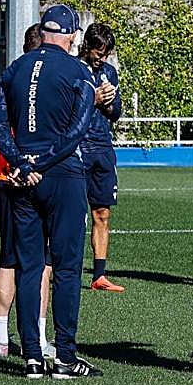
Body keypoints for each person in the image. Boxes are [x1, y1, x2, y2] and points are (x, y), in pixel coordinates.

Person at [0, 5, 103, 379]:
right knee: (67, 269)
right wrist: (40, 162)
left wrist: (20, 162)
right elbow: (77, 129)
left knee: (28, 267)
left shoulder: (15, 68)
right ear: (71, 36)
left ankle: (32, 357)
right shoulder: (78, 70)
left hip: (22, 179)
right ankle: (66, 358)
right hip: (61, 176)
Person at [0, 23, 55, 361]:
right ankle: (39, 339)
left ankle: (1, 338)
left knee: (8, 259)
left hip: (3, 174)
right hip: (29, 178)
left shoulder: (8, 78)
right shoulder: (38, 83)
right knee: (41, 264)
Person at [79, 23, 125, 293]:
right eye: (98, 53)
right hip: (78, 148)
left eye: (106, 54)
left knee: (102, 214)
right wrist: (92, 99)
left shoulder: (109, 72)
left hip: (103, 149)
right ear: (87, 46)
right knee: (72, 216)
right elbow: (66, 109)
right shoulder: (73, 69)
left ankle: (99, 275)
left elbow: (115, 112)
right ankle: (62, 268)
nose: (102, 58)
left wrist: (108, 101)